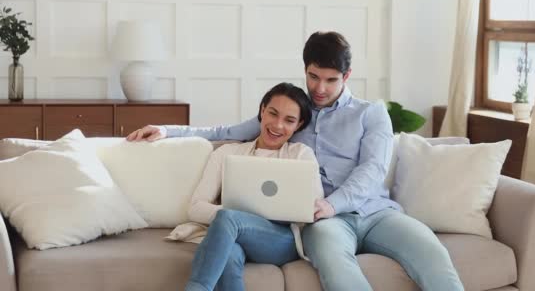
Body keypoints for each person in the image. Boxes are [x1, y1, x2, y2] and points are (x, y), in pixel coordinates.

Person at [128, 32, 464, 291]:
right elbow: (224, 131)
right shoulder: (292, 114)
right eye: (314, 76)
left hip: (376, 212)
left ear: (347, 76)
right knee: (337, 269)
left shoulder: (370, 113)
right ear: (306, 70)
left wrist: (332, 204)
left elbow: (373, 169)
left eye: (331, 80)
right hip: (321, 223)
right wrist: (167, 129)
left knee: (433, 257)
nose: (320, 87)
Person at [151, 83, 323, 291]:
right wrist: (238, 218)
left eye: (289, 120)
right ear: (262, 111)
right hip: (232, 236)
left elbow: (311, 209)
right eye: (273, 114)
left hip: (281, 241)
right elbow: (195, 207)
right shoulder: (227, 153)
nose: (278, 125)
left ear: (299, 124)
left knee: (228, 218)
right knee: (229, 250)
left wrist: (236, 217)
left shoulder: (301, 155)